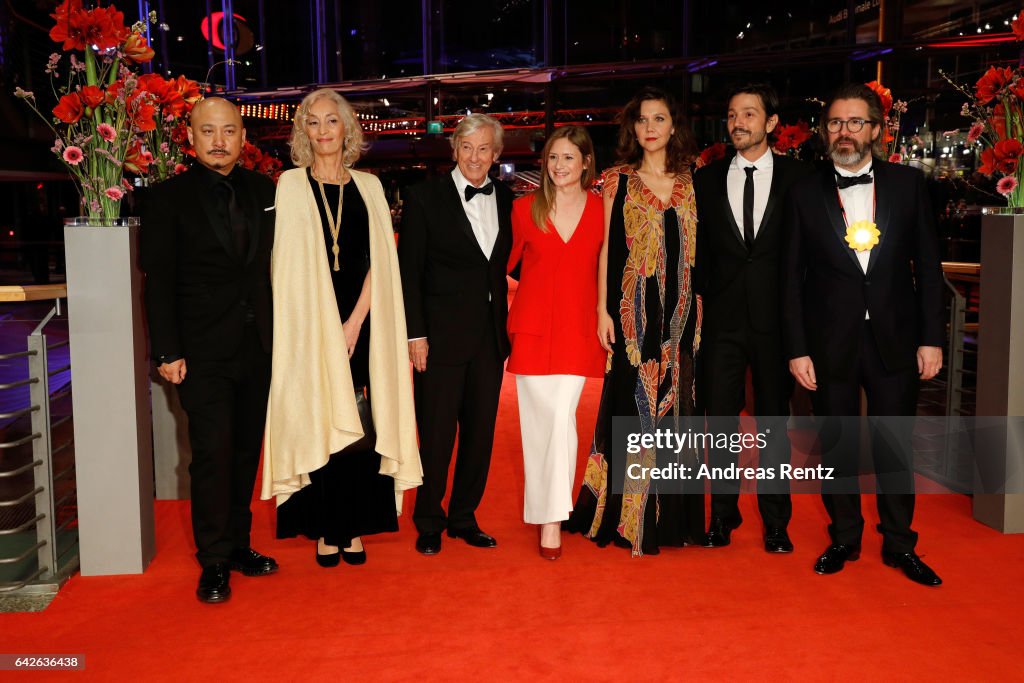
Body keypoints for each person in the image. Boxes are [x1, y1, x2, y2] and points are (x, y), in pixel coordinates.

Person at [781, 83, 945, 586]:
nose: (843, 132)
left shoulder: (909, 184)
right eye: (834, 123)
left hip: (896, 338)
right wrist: (797, 349)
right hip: (829, 343)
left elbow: (929, 267)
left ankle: (899, 545)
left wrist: (932, 337)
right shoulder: (804, 192)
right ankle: (844, 537)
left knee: (895, 446)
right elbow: (789, 278)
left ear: (875, 129)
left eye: (854, 123)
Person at [260, 89, 422, 567]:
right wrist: (326, 327)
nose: (324, 130)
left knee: (363, 423)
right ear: (302, 132)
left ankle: (354, 526)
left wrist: (353, 322)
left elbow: (382, 263)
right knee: (317, 412)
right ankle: (325, 526)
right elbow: (283, 267)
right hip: (310, 328)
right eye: (314, 122)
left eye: (333, 121)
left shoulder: (370, 186)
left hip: (364, 323)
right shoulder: (289, 185)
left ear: (348, 128)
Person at [140, 97, 277, 603]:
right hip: (200, 351)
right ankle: (214, 558)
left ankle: (239, 544)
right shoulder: (164, 198)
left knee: (245, 452)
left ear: (244, 137)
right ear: (191, 138)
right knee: (212, 454)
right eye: (208, 131)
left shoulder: (265, 190)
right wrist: (167, 350)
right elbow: (158, 283)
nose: (219, 141)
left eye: (229, 131)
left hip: (259, 346)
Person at [567, 86, 705, 556]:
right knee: (631, 405)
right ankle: (627, 516)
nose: (650, 128)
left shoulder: (693, 180)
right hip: (632, 313)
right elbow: (605, 249)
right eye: (642, 120)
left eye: (659, 118)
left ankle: (673, 519)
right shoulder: (615, 180)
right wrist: (603, 309)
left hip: (683, 315)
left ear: (673, 126)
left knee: (680, 409)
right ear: (633, 129)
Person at [694, 83, 809, 553]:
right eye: (731, 114)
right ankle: (722, 517)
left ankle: (776, 522)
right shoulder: (704, 180)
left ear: (772, 123)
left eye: (748, 114)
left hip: (777, 323)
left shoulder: (800, 179)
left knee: (773, 425)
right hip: (721, 321)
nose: (737, 122)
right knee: (718, 421)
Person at [398, 113, 514, 555]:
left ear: (496, 154)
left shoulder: (505, 198)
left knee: (480, 435)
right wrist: (416, 335)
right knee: (438, 434)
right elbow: (409, 273)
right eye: (466, 148)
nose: (474, 157)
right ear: (454, 151)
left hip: (489, 338)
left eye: (484, 149)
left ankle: (464, 516)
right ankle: (429, 518)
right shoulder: (424, 198)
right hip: (439, 340)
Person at [507, 126, 605, 560]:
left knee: (562, 418)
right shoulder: (524, 209)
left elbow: (610, 267)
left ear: (586, 162)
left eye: (568, 158)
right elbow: (501, 266)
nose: (559, 166)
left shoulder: (604, 209)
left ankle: (551, 519)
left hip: (580, 329)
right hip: (531, 330)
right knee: (537, 424)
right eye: (552, 158)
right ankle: (551, 510)